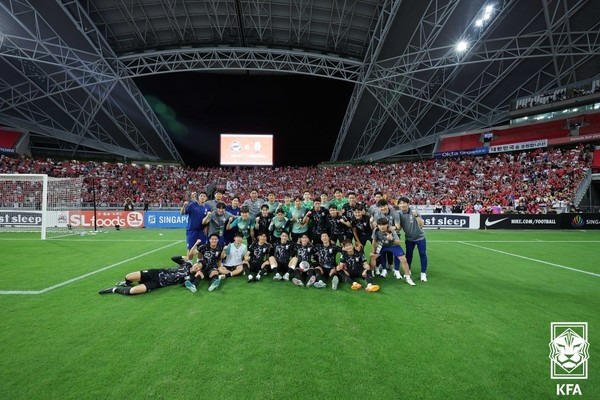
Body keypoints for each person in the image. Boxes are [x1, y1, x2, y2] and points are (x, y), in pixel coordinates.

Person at [98, 253, 197, 296]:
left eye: (198, 268)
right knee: (128, 277)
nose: (196, 267)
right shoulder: (186, 264)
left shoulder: (189, 277)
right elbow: (173, 258)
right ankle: (126, 283)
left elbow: (186, 284)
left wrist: (194, 279)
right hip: (155, 273)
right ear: (195, 264)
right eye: (197, 265)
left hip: (158, 284)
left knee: (133, 291)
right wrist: (183, 256)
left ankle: (114, 290)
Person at [370, 218, 416, 286]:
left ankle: (408, 278)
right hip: (382, 245)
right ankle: (371, 272)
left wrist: (392, 239)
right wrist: (373, 251)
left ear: (387, 225)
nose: (382, 227)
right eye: (380, 225)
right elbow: (374, 241)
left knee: (403, 259)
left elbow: (398, 243)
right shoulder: (376, 230)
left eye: (384, 225)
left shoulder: (391, 230)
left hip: (393, 245)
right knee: (373, 256)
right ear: (377, 225)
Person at [398, 197, 428, 282]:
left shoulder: (414, 211)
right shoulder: (399, 214)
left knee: (422, 254)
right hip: (409, 238)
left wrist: (416, 216)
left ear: (408, 204)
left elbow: (422, 224)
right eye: (400, 203)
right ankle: (408, 270)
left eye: (404, 203)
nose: (402, 205)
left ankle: (423, 273)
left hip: (420, 237)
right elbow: (399, 227)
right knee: (409, 255)